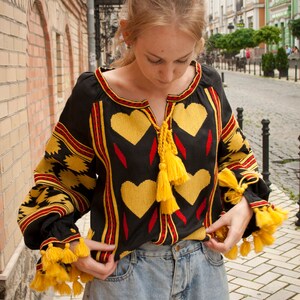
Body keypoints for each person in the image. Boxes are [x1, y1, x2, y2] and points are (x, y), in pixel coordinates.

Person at [17, 0, 287, 299]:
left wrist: (245, 204)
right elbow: (61, 175)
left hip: (204, 266)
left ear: (199, 43)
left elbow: (235, 157)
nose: (168, 74)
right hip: (122, 274)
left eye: (182, 59)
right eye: (155, 59)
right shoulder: (94, 96)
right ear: (128, 34)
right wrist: (64, 240)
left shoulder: (207, 87)